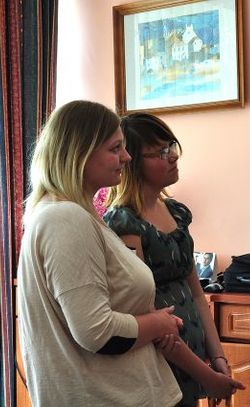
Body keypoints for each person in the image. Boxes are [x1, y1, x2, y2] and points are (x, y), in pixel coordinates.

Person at [17, 100, 184, 406]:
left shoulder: (76, 215)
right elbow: (98, 332)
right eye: (115, 148)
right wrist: (159, 324)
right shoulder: (65, 219)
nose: (126, 157)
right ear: (79, 153)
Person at [104, 113, 244, 407]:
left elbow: (196, 292)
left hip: (193, 360)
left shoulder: (176, 212)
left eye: (171, 147)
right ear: (132, 162)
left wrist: (217, 357)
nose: (173, 157)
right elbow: (148, 316)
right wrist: (206, 375)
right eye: (160, 152)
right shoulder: (124, 222)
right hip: (159, 364)